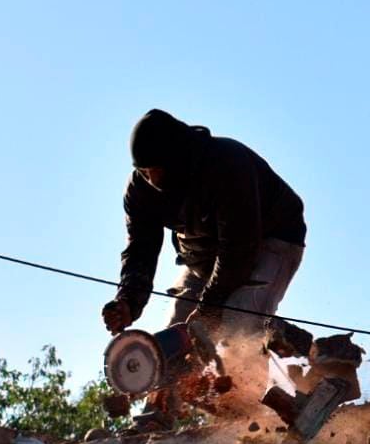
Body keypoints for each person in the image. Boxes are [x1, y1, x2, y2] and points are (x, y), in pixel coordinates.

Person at [102, 109, 307, 342]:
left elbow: (238, 249)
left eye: (158, 168)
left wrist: (209, 307)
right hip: (203, 252)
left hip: (271, 237)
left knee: (237, 326)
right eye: (145, 171)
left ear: (177, 155)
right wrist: (129, 300)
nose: (153, 178)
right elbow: (141, 249)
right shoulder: (140, 191)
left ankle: (283, 345)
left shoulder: (226, 165)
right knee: (174, 341)